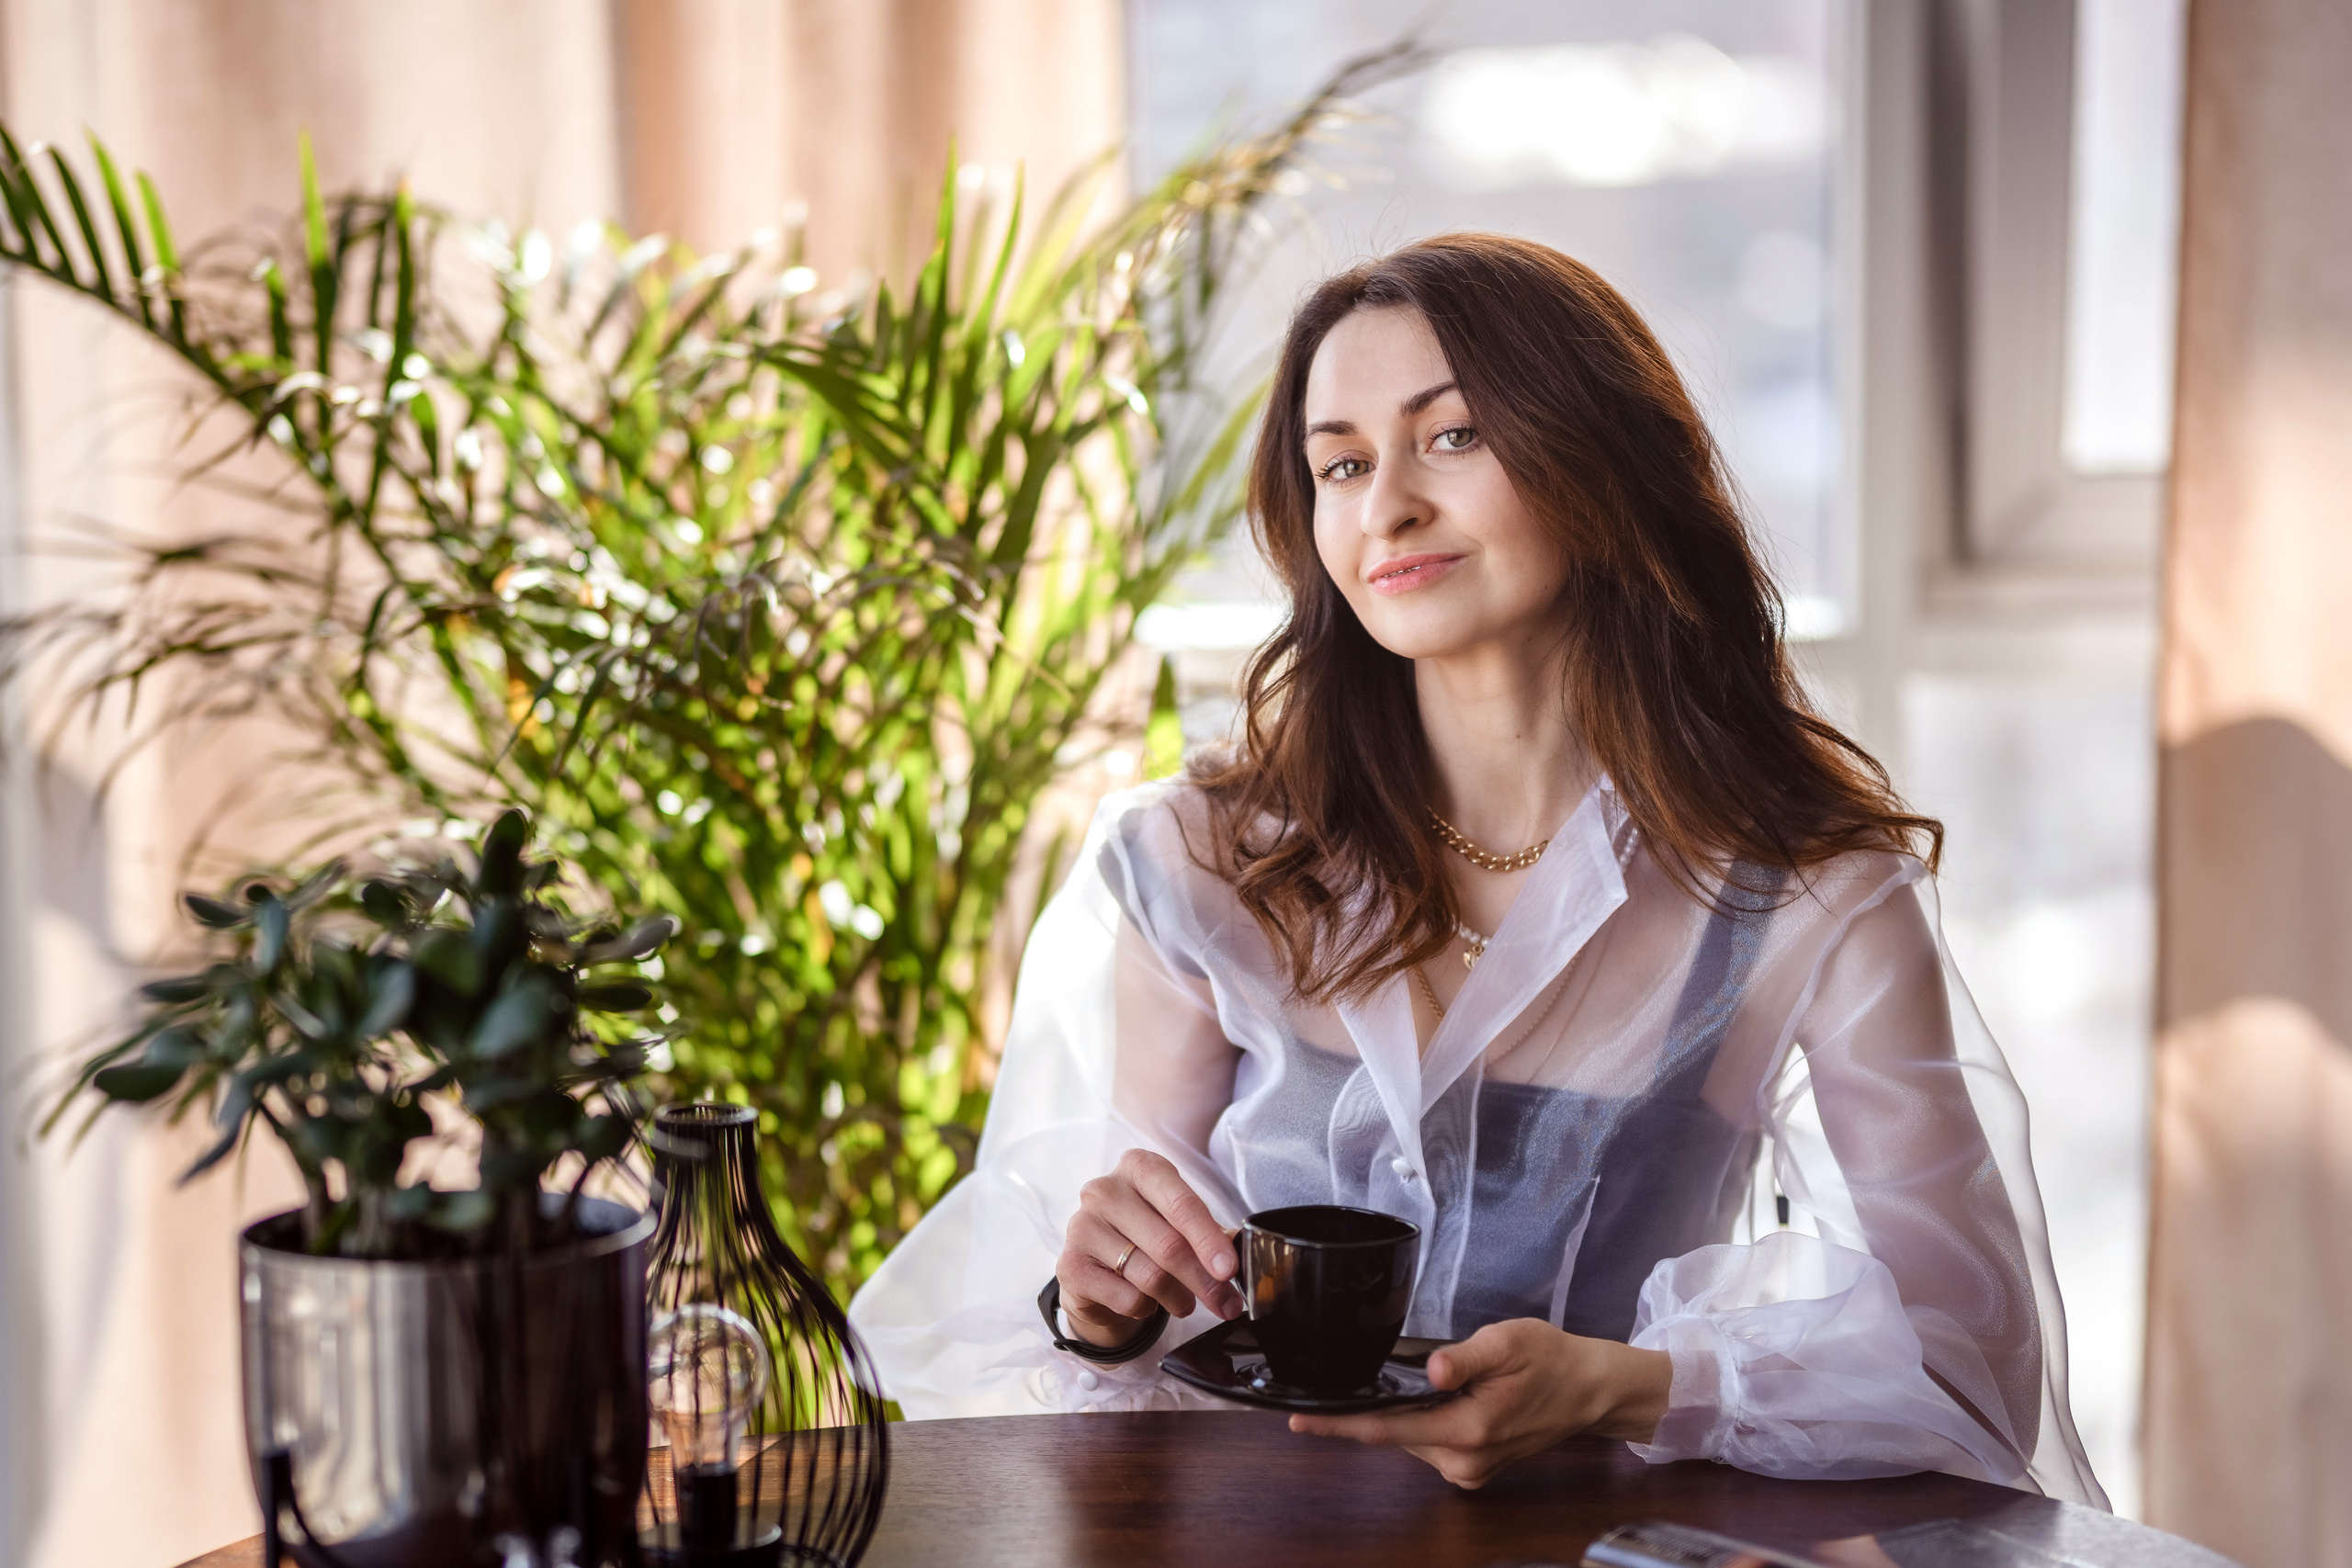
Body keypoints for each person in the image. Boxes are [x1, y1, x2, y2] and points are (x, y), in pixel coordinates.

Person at [846, 233, 2107, 1507]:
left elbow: (1966, 1373)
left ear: (1597, 456)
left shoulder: (1808, 897)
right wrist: (1102, 1304)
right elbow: (1119, 1340)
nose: (1385, 504)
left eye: (1450, 438)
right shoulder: (1204, 859)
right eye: (1341, 464)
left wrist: (1631, 1385)